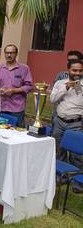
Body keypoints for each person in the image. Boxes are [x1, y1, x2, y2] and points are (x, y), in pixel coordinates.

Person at [50, 59, 83, 193]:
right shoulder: (60, 83)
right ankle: (62, 177)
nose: (77, 73)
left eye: (80, 70)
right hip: (60, 122)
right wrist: (66, 88)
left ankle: (78, 181)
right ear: (68, 70)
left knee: (77, 154)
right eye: (74, 70)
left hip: (76, 122)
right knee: (59, 150)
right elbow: (52, 99)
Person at [0, 44, 33, 127]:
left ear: (16, 54)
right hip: (1, 107)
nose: (9, 55)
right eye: (7, 53)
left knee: (18, 134)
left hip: (16, 109)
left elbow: (29, 86)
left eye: (12, 53)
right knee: (1, 134)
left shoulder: (24, 69)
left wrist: (13, 91)